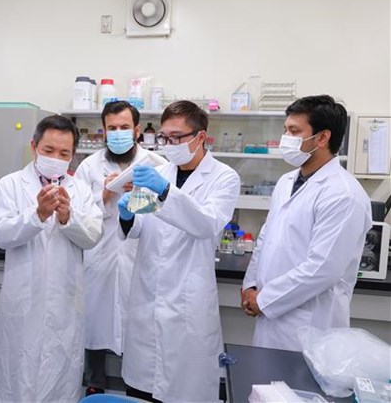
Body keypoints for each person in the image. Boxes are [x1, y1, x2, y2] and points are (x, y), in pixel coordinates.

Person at [117, 100, 241, 402]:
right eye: (164, 137)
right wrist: (127, 216)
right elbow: (141, 225)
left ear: (200, 137)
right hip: (148, 291)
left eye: (176, 137)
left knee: (184, 389)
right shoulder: (158, 171)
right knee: (142, 388)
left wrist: (165, 191)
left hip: (188, 297)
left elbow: (206, 223)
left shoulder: (224, 178)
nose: (169, 144)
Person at [241, 95, 372, 351]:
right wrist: (251, 285)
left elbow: (322, 268)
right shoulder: (286, 181)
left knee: (299, 377)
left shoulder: (343, 194)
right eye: (285, 130)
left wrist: (264, 300)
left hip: (310, 323)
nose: (285, 138)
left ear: (322, 138)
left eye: (294, 131)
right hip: (270, 312)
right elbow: (266, 238)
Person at [0, 114, 104, 403]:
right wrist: (37, 215)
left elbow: (92, 236)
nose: (56, 158)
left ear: (73, 155)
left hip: (65, 302)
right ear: (34, 147)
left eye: (64, 153)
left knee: (60, 376)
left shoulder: (80, 190)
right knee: (18, 375)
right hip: (23, 301)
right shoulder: (11, 185)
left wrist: (68, 218)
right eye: (49, 150)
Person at [75, 101, 166, 396]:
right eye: (111, 128)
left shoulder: (157, 164)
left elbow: (163, 210)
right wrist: (105, 193)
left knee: (137, 321)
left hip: (138, 252)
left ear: (137, 130)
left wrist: (136, 193)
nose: (118, 133)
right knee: (94, 318)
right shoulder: (89, 166)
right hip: (99, 254)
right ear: (103, 131)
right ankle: (94, 382)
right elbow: (78, 212)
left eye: (124, 127)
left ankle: (136, 384)